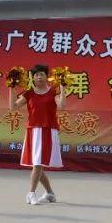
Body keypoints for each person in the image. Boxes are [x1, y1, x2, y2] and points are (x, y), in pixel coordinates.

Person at [11, 64, 66, 205]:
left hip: (48, 130)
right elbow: (13, 107)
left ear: (46, 77)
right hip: (33, 131)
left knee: (38, 164)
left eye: (41, 74)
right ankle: (49, 193)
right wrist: (11, 88)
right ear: (32, 78)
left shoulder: (53, 92)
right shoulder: (29, 93)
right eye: (36, 75)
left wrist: (63, 88)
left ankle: (31, 193)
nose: (39, 77)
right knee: (37, 164)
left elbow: (61, 106)